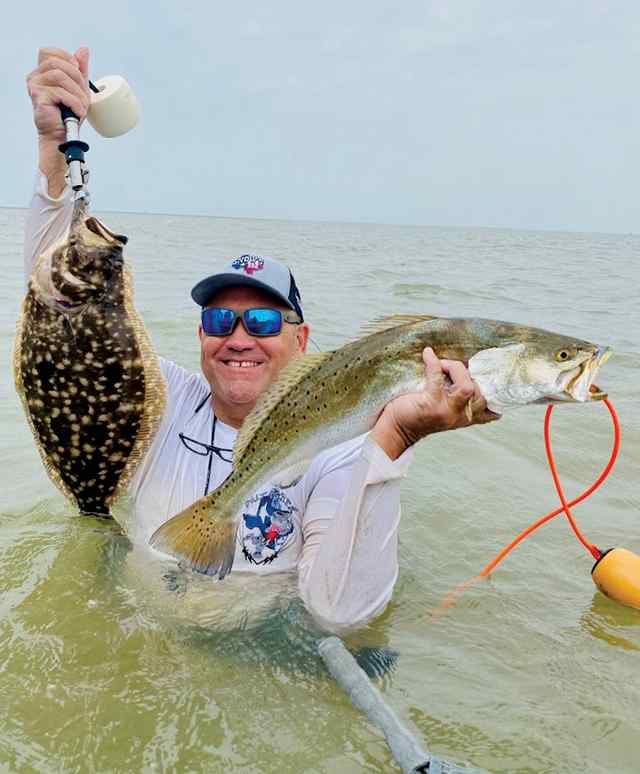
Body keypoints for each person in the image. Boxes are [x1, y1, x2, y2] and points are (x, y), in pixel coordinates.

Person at [24, 46, 499, 632]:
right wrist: (53, 156)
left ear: (303, 342)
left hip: (257, 647)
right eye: (221, 321)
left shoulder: (344, 447)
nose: (240, 337)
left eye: (265, 322)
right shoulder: (162, 401)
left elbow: (341, 613)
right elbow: (63, 320)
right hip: (138, 626)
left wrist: (395, 438)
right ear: (201, 336)